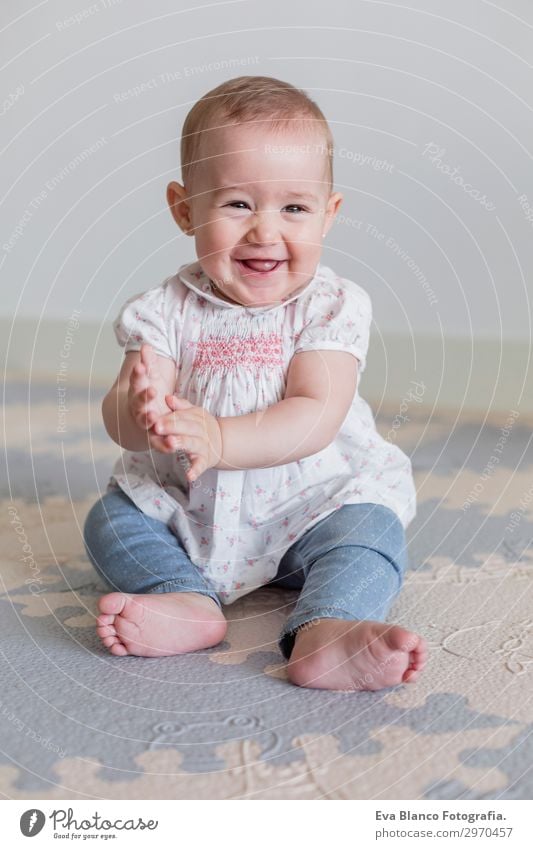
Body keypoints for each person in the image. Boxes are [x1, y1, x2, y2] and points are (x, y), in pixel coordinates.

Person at [83, 75, 427, 691]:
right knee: (112, 519)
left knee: (371, 531)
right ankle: (183, 598)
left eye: (294, 207)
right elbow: (126, 412)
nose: (266, 231)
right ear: (185, 208)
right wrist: (139, 413)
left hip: (313, 503)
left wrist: (218, 435)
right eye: (238, 204)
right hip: (192, 508)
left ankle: (329, 629)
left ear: (329, 213)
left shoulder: (331, 306)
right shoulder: (162, 310)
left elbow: (315, 411)